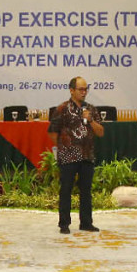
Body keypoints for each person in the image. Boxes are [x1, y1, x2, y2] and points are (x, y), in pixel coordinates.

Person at [48, 76, 104, 234]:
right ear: (71, 90)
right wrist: (65, 146)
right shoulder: (62, 108)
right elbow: (52, 132)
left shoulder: (91, 109)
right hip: (68, 157)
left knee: (86, 191)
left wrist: (90, 120)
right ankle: (64, 224)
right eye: (81, 89)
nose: (84, 92)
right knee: (66, 190)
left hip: (87, 156)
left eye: (86, 89)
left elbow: (100, 132)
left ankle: (86, 223)